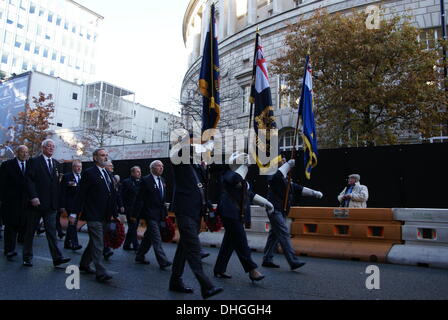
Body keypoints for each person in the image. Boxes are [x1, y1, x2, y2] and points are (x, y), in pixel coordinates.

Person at [169, 136, 223, 299]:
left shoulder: (196, 164)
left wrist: (208, 208)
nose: (198, 143)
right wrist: (206, 144)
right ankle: (206, 286)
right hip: (184, 209)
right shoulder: (178, 155)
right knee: (193, 248)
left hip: (196, 211)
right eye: (195, 141)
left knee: (184, 247)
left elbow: (201, 188)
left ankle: (175, 280)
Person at [213, 152, 272, 282]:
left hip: (238, 213)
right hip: (229, 213)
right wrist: (244, 166)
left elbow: (250, 195)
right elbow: (234, 179)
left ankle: (219, 268)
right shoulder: (228, 174)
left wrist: (266, 203)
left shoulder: (244, 180)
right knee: (241, 242)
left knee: (229, 243)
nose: (246, 164)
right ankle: (252, 270)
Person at [262, 159, 323, 269]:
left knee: (274, 235)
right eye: (282, 161)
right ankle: (293, 261)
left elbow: (298, 189)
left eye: (285, 161)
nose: (284, 162)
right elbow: (277, 176)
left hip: (282, 210)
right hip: (274, 210)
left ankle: (267, 259)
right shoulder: (272, 175)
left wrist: (313, 193)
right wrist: (288, 165)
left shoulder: (286, 179)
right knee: (284, 233)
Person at [23, 139, 71, 267]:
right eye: (48, 146)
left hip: (51, 205)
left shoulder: (55, 163)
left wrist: (59, 203)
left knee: (52, 231)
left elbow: (56, 185)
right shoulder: (34, 161)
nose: (51, 148)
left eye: (52, 146)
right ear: (43, 147)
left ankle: (57, 258)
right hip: (36, 203)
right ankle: (27, 257)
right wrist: (33, 196)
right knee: (30, 231)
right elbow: (29, 180)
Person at [76, 148, 119, 283]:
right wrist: (74, 213)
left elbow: (111, 194)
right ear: (95, 158)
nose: (105, 157)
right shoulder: (89, 173)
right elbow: (81, 193)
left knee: (94, 241)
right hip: (93, 214)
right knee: (98, 242)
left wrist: (114, 213)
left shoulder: (107, 173)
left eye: (106, 155)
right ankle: (100, 271)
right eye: (102, 155)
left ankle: (84, 264)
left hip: (105, 214)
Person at [133, 160, 172, 269]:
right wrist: (134, 215)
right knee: (156, 237)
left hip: (159, 214)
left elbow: (162, 200)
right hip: (149, 214)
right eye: (159, 166)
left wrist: (165, 215)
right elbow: (139, 199)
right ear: (152, 168)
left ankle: (140, 256)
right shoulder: (145, 180)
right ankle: (163, 261)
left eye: (162, 166)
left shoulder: (162, 180)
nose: (161, 168)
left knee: (148, 237)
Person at [0, 145, 30, 259]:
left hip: (25, 202)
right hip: (11, 202)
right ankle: (9, 250)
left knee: (23, 226)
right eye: (23, 152)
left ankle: (24, 250)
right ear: (17, 153)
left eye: (27, 152)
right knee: (10, 227)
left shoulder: (30, 165)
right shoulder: (7, 165)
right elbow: (2, 183)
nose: (25, 154)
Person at [59, 160, 83, 251]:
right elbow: (62, 192)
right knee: (73, 223)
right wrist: (62, 205)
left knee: (72, 223)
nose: (79, 168)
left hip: (78, 204)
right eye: (77, 166)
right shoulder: (67, 176)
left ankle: (67, 243)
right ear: (73, 167)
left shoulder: (83, 177)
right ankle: (74, 243)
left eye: (80, 166)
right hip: (69, 204)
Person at [121, 166, 142, 251]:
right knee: (133, 226)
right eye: (137, 172)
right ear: (132, 173)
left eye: (140, 171)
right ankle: (136, 245)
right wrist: (122, 206)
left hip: (139, 208)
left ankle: (126, 245)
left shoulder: (141, 182)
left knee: (133, 227)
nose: (139, 173)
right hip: (130, 208)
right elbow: (122, 195)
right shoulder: (126, 182)